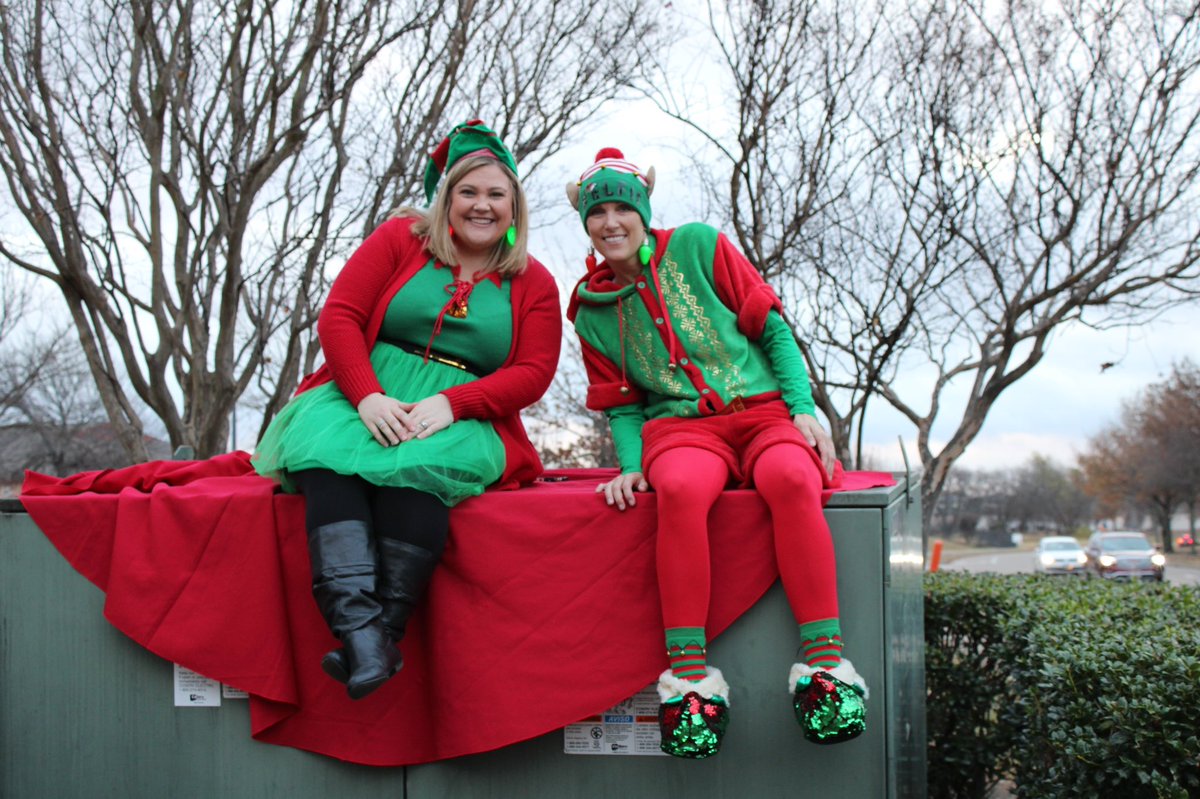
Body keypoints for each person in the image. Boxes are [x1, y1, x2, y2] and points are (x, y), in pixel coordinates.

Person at [565, 149, 867, 758]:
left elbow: (772, 328)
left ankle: (827, 667)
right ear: (587, 224)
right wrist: (631, 466)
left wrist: (802, 409)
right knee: (678, 487)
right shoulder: (590, 309)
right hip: (682, 429)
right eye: (599, 212)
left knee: (788, 476)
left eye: (625, 206)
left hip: (761, 412)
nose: (612, 221)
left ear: (644, 211)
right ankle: (691, 682)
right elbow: (624, 404)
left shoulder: (700, 245)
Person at [253, 120, 561, 700]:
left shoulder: (533, 280)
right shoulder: (401, 239)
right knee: (328, 459)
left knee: (417, 479)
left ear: (514, 204)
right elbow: (340, 315)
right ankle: (360, 631)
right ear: (447, 197)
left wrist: (454, 403)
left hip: (461, 411)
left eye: (496, 194)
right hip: (369, 388)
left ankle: (379, 635)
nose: (481, 205)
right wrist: (366, 395)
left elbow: (534, 372)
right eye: (468, 192)